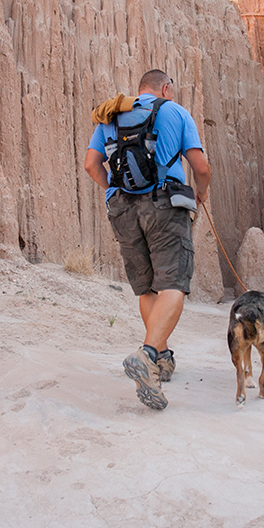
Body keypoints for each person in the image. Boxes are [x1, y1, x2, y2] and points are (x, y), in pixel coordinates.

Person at [84, 69, 211, 410]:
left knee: (146, 288)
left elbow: (91, 164)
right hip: (164, 204)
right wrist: (201, 193)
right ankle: (149, 354)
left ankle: (161, 357)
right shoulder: (175, 112)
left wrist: (115, 189)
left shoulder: (112, 113)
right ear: (166, 88)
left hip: (122, 209)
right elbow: (200, 166)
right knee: (173, 283)